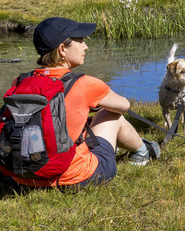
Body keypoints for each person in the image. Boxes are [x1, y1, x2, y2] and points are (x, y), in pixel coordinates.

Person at [8, 16, 158, 188]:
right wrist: (94, 102)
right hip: (76, 177)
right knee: (110, 114)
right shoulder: (84, 83)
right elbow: (124, 106)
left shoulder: (20, 81)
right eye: (80, 41)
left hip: (22, 178)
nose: (85, 46)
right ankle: (143, 151)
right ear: (63, 49)